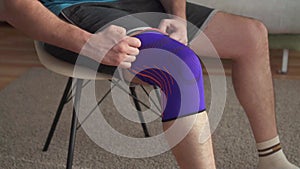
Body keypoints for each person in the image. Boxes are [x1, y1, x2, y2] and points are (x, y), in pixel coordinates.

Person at [0, 0, 299, 169]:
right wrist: (88, 43)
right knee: (178, 66)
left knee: (252, 35)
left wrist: (177, 16)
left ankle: (272, 159)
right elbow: (10, 6)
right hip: (74, 11)